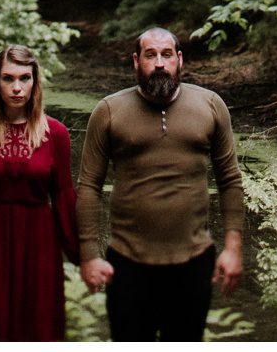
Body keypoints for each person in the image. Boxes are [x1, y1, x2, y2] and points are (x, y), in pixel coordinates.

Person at [76, 27, 245, 341]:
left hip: (193, 262)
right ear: (135, 62)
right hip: (127, 264)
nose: (158, 63)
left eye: (166, 54)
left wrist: (233, 248)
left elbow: (230, 180)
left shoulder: (210, 105)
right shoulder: (109, 111)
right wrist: (89, 255)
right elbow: (88, 186)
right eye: (150, 55)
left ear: (179, 60)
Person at [0, 45, 79, 340]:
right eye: (8, 79)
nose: (17, 88)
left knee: (39, 331)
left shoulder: (55, 133)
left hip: (39, 247)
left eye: (24, 78)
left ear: (35, 82)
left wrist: (85, 258)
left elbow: (63, 198)